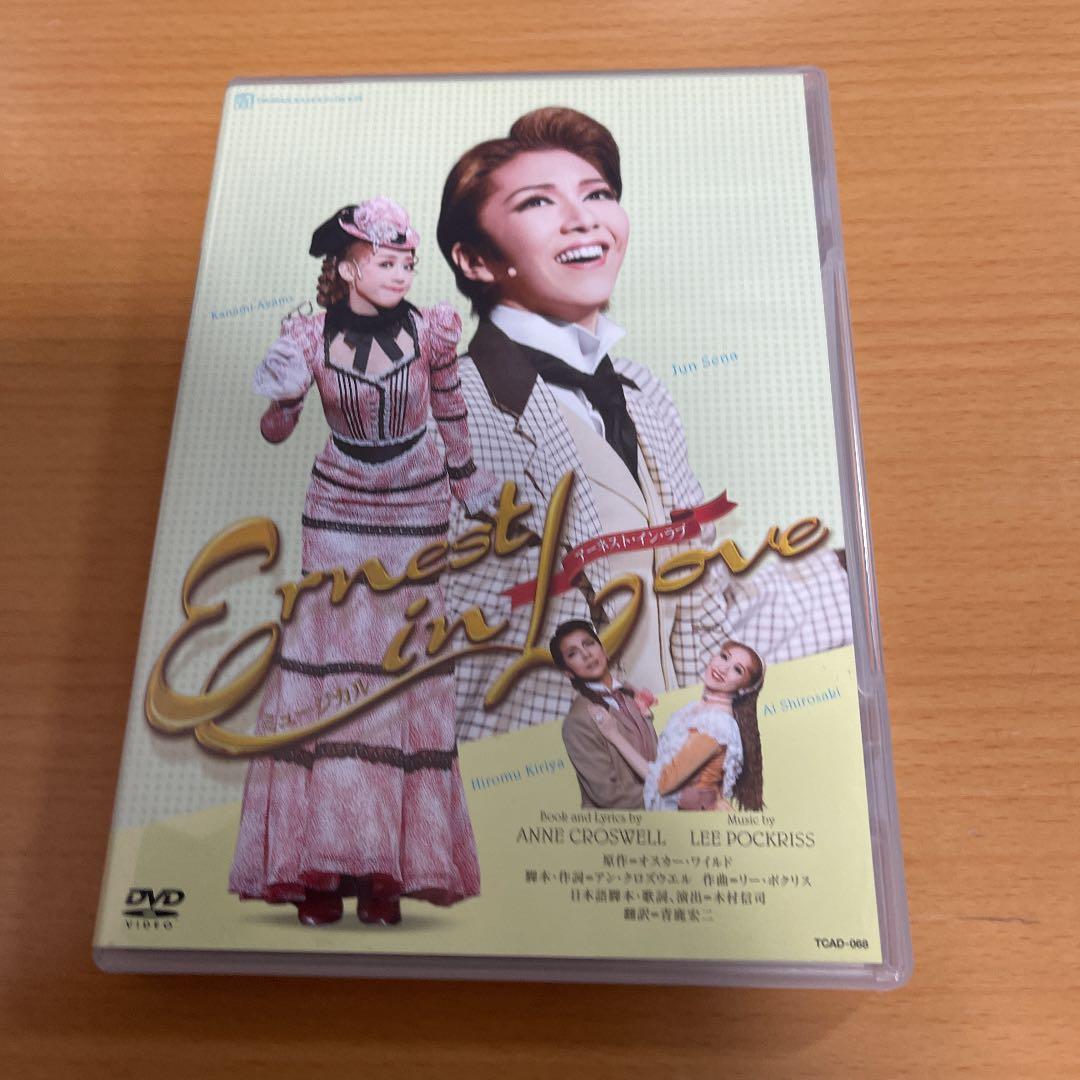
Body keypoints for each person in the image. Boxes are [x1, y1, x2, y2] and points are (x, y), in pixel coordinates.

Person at [436, 107, 853, 742]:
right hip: (554, 760)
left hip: (677, 737)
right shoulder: (453, 409)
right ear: (474, 261)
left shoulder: (642, 390)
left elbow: (696, 598)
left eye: (598, 194)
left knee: (852, 588)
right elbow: (490, 658)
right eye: (537, 202)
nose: (584, 218)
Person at [228, 197, 498, 926]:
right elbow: (275, 431)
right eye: (386, 261)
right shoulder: (306, 335)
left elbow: (450, 411)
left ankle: (388, 871)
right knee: (328, 676)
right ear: (347, 268)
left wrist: (469, 484)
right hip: (338, 505)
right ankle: (318, 867)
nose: (402, 273)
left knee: (401, 675)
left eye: (408, 261)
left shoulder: (433, 331)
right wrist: (285, 393)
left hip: (416, 503)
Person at [593, 642, 765, 812]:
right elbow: (665, 758)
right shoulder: (697, 708)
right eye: (724, 657)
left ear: (744, 689)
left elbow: (663, 782)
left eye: (738, 670)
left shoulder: (715, 726)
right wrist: (644, 715)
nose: (723, 668)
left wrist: (613, 734)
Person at [551, 620, 659, 809]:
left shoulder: (630, 694)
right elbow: (609, 796)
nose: (586, 654)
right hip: (625, 822)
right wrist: (671, 796)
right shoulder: (577, 721)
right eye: (573, 653)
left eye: (589, 644)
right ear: (568, 673)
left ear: (603, 650)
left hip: (662, 812)